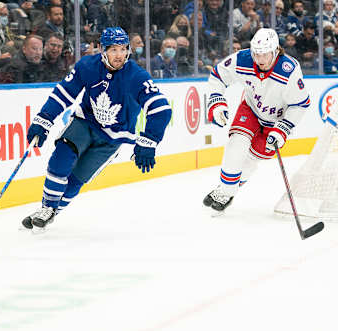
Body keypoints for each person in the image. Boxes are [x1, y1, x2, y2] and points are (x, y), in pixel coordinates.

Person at [22, 27, 172, 231]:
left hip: (113, 138)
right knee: (62, 156)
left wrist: (149, 140)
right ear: (102, 50)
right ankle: (47, 208)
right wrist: (43, 119)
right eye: (113, 50)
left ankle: (50, 213)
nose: (119, 55)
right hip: (85, 123)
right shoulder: (87, 66)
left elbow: (161, 109)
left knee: (77, 179)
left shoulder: (137, 76)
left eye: (123, 49)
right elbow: (63, 94)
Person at [203, 28, 310, 212]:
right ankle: (225, 191)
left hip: (276, 122)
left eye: (264, 54)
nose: (259, 59)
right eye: (256, 54)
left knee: (251, 159)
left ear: (276, 50)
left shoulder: (289, 70)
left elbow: (300, 104)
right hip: (251, 109)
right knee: (237, 143)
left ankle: (227, 190)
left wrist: (283, 128)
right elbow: (218, 75)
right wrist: (216, 101)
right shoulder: (243, 58)